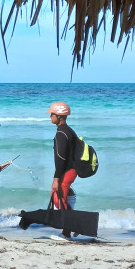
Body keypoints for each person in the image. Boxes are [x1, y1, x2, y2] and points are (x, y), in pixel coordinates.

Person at [47, 101, 78, 241]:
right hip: (71, 170)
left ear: (59, 116)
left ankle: (67, 233)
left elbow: (61, 158)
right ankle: (75, 225)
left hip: (67, 171)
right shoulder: (69, 130)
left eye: (52, 114)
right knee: (61, 198)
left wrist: (56, 179)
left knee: (57, 197)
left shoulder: (61, 133)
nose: (50, 116)